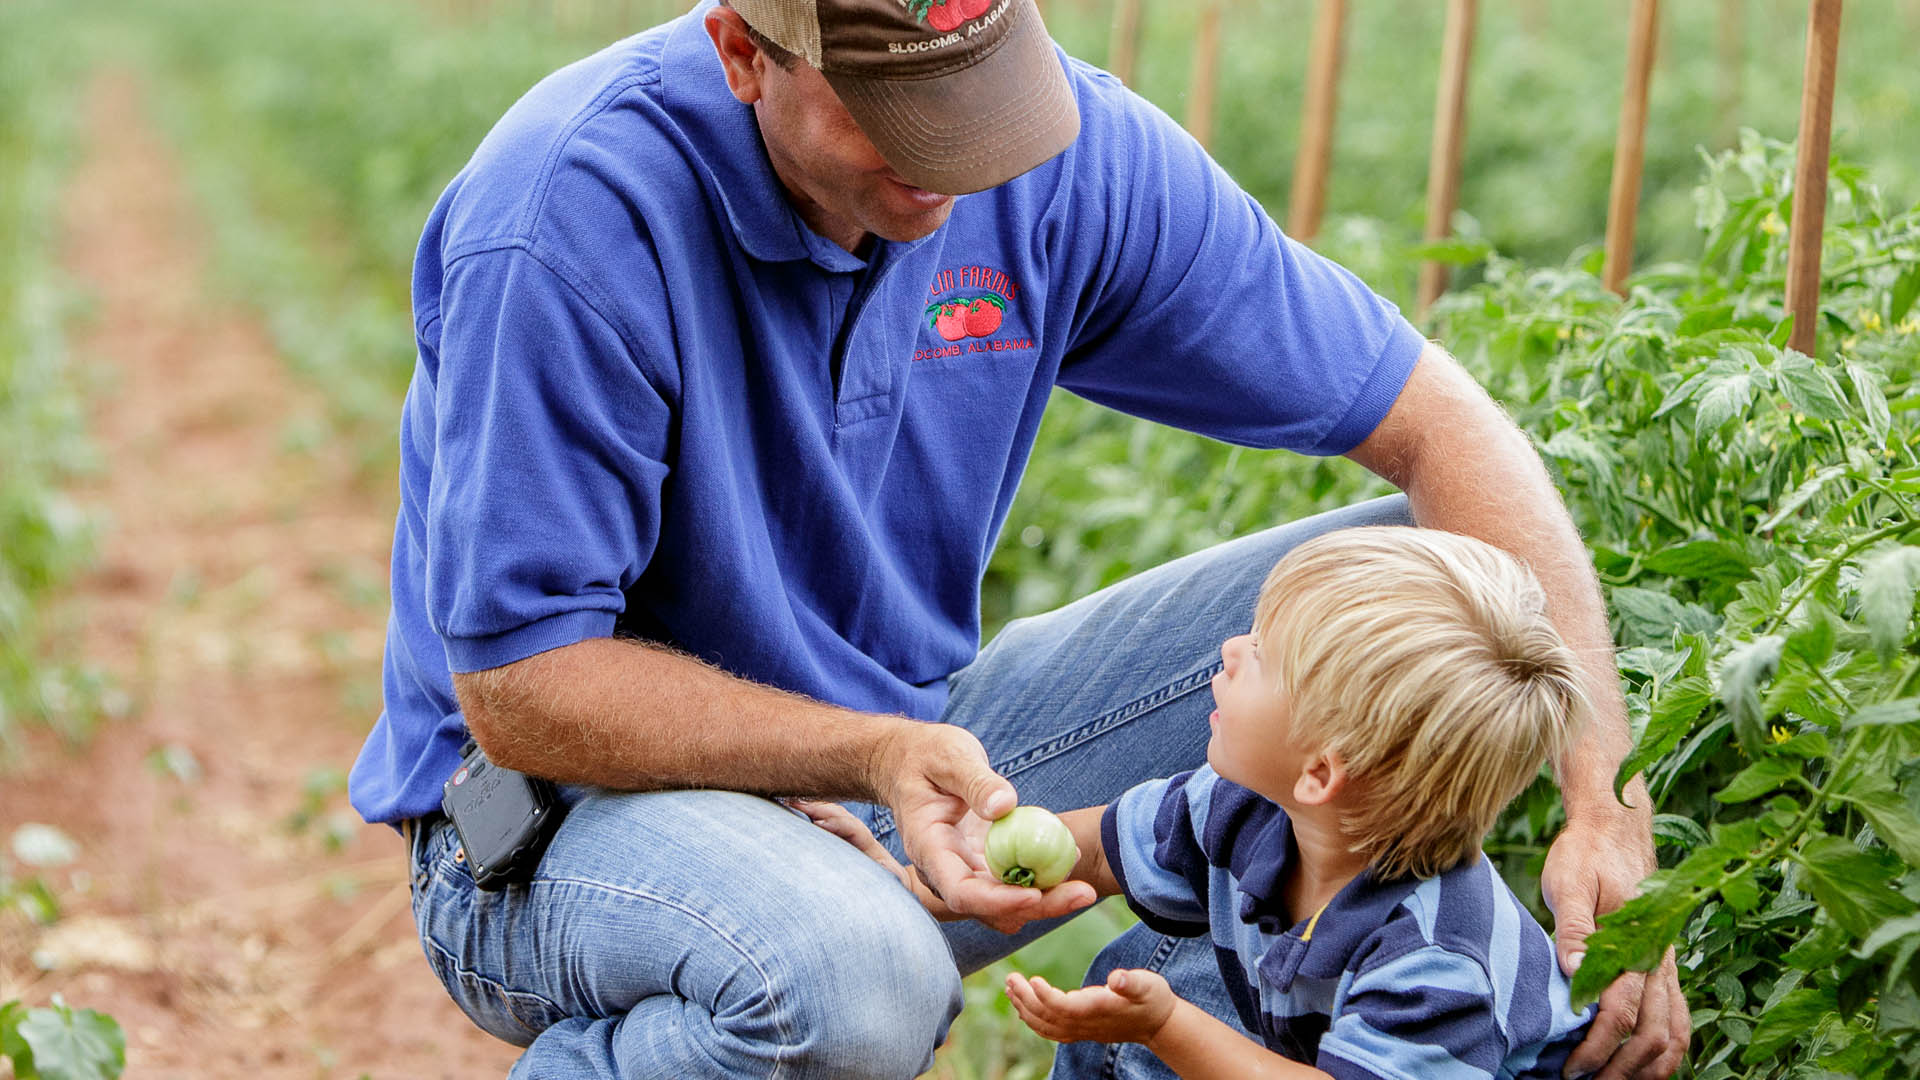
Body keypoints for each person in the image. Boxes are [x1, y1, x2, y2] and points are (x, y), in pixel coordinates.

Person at [344, 0, 1687, 1075]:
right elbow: (524, 692)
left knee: (1451, 614)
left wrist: (1600, 811)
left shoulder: (1062, 164)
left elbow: (1446, 432)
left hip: (903, 757)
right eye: (898, 116)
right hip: (554, 826)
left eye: (979, 101)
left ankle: (1243, 1028)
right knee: (858, 981)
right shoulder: (575, 214)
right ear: (744, 55)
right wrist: (866, 747)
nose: (954, 160)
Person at [804, 525, 1599, 1078]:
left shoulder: (1437, 959)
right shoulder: (1236, 808)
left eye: (1261, 652)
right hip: (1304, 1044)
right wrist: (907, 882)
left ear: (1321, 773)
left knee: (1153, 1011)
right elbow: (1075, 853)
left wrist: (1167, 1025)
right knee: (1127, 993)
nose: (1228, 649)